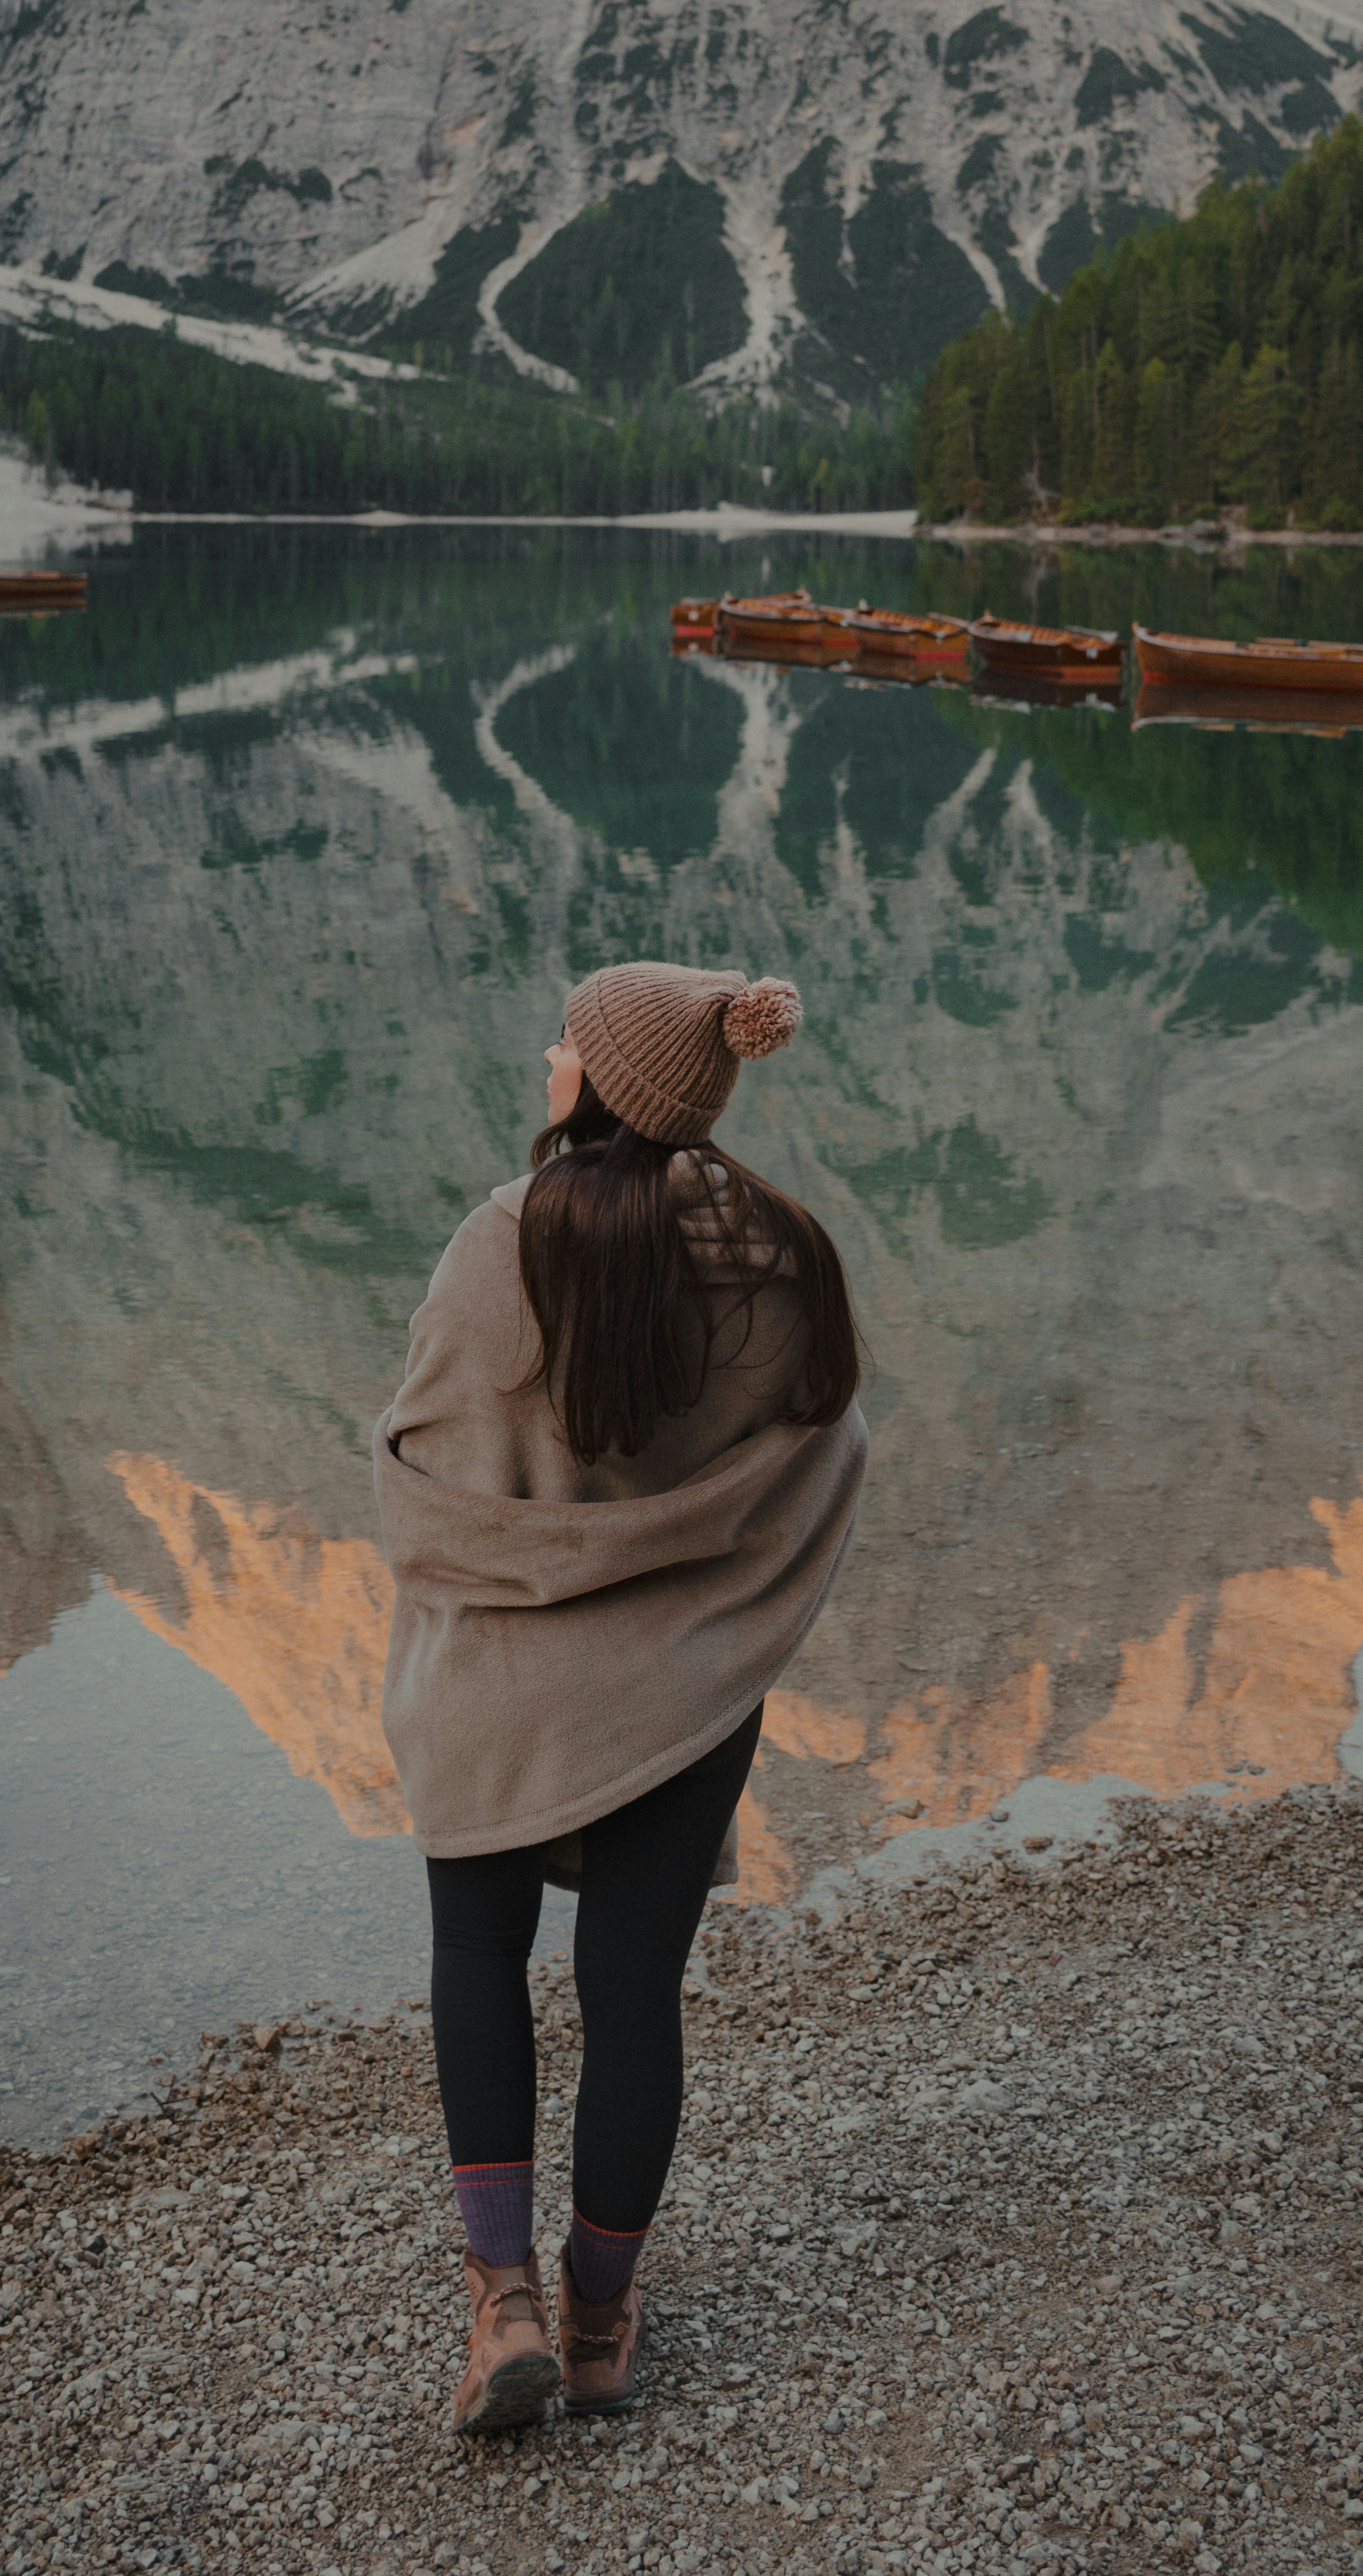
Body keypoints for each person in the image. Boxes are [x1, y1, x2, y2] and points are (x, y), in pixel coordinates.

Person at [371, 956, 869, 2433]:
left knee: (479, 1953)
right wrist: (722, 1602)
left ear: (602, 1081)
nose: (550, 1053)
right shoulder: (782, 1255)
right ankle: (600, 2322)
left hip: (497, 1682)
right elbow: (825, 1445)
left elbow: (426, 1456)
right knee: (634, 1989)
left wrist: (498, 1562)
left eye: (569, 1040)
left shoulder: (503, 1239)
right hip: (681, 1688)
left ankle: (503, 2306)